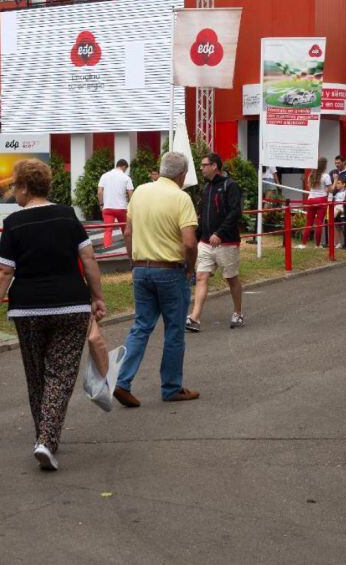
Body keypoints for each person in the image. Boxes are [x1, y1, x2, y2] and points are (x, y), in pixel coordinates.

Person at [0, 159, 106, 471]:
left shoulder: (14, 225)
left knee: (36, 375)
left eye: (15, 187)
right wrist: (98, 297)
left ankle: (44, 437)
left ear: (24, 187)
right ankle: (47, 440)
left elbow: (3, 271)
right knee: (61, 375)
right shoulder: (67, 216)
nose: (14, 194)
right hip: (71, 306)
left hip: (28, 309)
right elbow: (88, 258)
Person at [114, 151, 200, 407]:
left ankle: (121, 380)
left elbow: (128, 232)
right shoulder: (181, 198)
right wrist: (189, 268)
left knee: (141, 326)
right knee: (174, 330)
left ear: (161, 169)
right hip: (170, 270)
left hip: (141, 269)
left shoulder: (139, 191)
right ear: (182, 174)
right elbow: (189, 242)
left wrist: (133, 261)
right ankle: (171, 387)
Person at [185, 153, 245, 332]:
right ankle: (195, 317)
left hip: (226, 243)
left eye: (204, 165)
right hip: (205, 242)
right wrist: (197, 236)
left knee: (231, 278)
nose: (201, 168)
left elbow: (235, 213)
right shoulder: (206, 187)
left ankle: (238, 312)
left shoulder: (230, 185)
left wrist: (219, 233)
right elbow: (202, 215)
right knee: (202, 276)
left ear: (214, 166)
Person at [97, 158, 134, 249]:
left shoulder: (104, 176)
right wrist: (132, 206)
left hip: (108, 207)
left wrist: (101, 204)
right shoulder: (126, 178)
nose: (125, 171)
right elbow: (130, 193)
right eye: (126, 169)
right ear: (124, 167)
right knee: (126, 229)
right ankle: (129, 249)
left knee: (108, 230)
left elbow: (99, 192)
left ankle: (107, 249)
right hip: (121, 208)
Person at [301, 157, 331, 249]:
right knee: (319, 223)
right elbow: (331, 189)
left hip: (311, 199)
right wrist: (336, 180)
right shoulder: (326, 176)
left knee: (308, 223)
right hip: (321, 199)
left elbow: (309, 186)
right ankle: (317, 245)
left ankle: (303, 244)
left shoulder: (311, 175)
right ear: (325, 165)